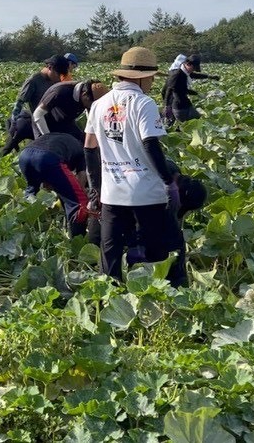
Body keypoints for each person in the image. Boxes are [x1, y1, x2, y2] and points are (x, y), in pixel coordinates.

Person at [84, 46, 187, 287]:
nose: (151, 83)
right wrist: (167, 180)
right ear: (142, 77)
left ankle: (111, 299)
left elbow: (89, 147)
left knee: (109, 253)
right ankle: (159, 297)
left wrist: (97, 187)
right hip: (145, 192)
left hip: (112, 191)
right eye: (151, 78)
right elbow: (150, 144)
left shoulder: (100, 104)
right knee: (158, 252)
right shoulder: (143, 102)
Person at [18, 133, 90, 237]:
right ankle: (77, 241)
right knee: (78, 203)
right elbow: (80, 181)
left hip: (25, 155)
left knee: (32, 192)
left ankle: (22, 233)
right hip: (47, 157)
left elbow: (53, 181)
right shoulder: (83, 152)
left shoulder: (65, 141)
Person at [4, 55, 71, 155]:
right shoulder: (34, 81)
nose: (59, 78)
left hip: (50, 121)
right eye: (58, 74)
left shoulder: (55, 81)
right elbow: (19, 102)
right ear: (50, 68)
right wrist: (13, 124)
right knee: (7, 148)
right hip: (34, 120)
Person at [31, 79, 109, 142]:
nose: (92, 107)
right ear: (84, 94)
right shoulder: (60, 91)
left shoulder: (88, 99)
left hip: (65, 121)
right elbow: (38, 115)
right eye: (92, 104)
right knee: (50, 151)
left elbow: (91, 119)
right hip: (43, 122)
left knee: (81, 143)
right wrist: (49, 138)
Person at [163, 54, 220, 128]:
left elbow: (194, 75)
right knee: (186, 125)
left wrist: (209, 77)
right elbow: (169, 90)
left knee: (196, 122)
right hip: (178, 106)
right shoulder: (177, 75)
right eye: (193, 68)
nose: (193, 70)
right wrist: (167, 106)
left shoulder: (185, 71)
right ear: (188, 64)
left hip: (184, 103)